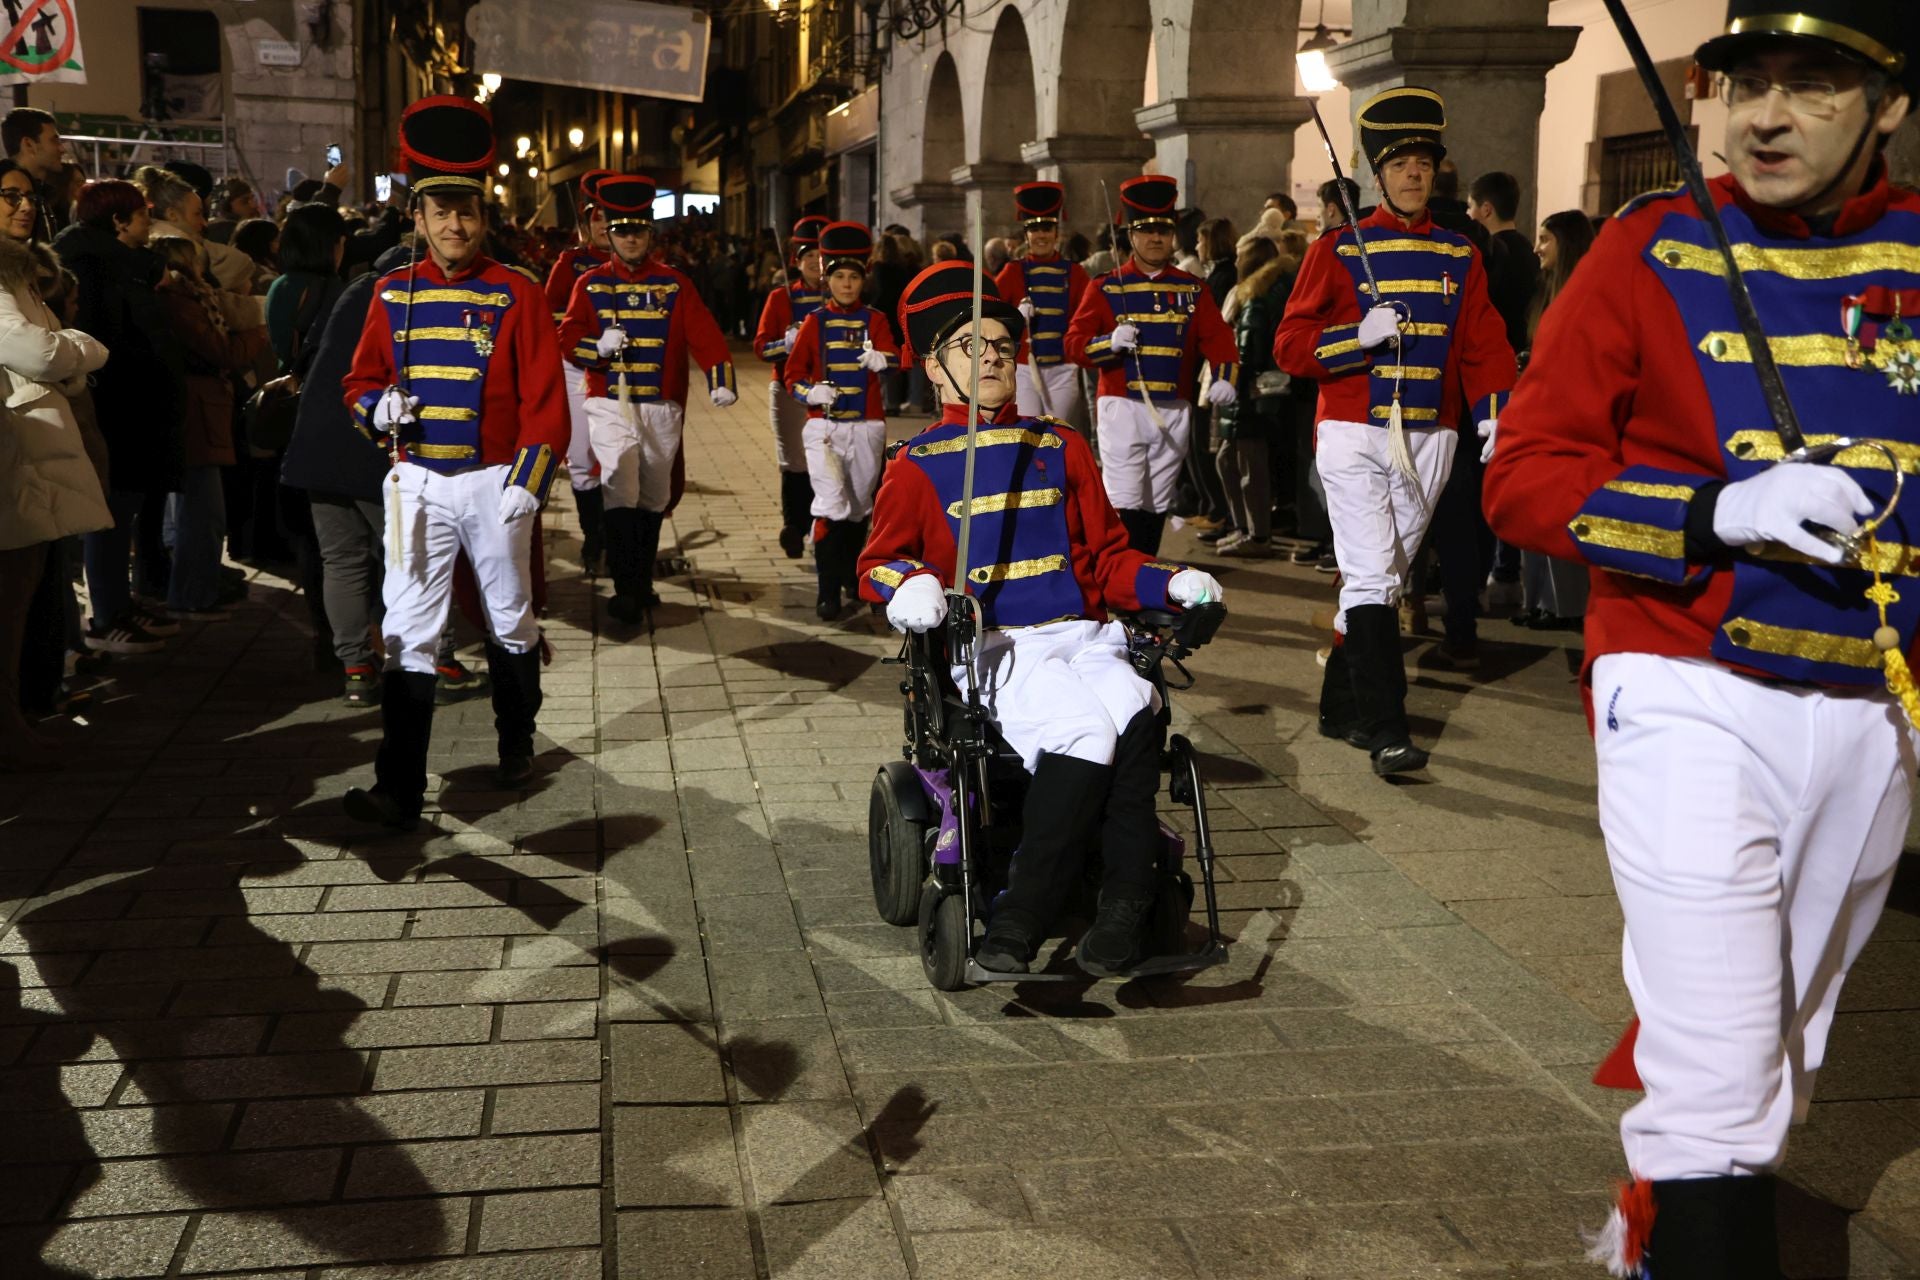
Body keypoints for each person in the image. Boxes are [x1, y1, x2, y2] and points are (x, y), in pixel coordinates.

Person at [1487, 8, 1916, 1270]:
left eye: (1816, 85)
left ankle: (1655, 1233)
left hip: (1875, 704)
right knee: (1722, 1070)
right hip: (1686, 678)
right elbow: (1525, 477)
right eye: (1748, 84)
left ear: (1888, 104)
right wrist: (1716, 510)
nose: (1769, 115)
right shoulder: (1647, 246)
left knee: (1787, 1041)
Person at [860, 260, 1224, 975]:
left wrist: (1175, 579)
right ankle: (1020, 918)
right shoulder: (918, 462)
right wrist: (907, 586)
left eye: (1001, 342)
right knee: (1085, 726)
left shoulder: (1062, 445)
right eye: (972, 344)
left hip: (1084, 636)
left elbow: (1112, 559)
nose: (993, 354)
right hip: (998, 648)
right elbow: (876, 561)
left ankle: (1121, 912)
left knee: (1137, 702)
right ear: (935, 369)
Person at [340, 95, 569, 828]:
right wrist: (376, 409)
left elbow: (545, 400)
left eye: (466, 211)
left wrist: (528, 484)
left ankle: (516, 740)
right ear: (418, 217)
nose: (454, 225)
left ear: (483, 214)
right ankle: (399, 789)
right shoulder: (387, 293)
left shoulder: (518, 295)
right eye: (440, 211)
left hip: (493, 480)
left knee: (510, 618)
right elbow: (359, 381)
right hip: (416, 481)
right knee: (407, 628)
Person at [1275, 86, 1516, 774]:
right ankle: (1387, 729)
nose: (1414, 173)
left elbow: (1483, 347)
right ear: (1376, 173)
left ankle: (1337, 705)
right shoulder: (1337, 248)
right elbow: (1291, 345)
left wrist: (1497, 414)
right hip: (1353, 430)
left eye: (1424, 162)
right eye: (1401, 162)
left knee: (1381, 579)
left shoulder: (1461, 255)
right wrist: (1357, 337)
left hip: (1430, 436)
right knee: (1373, 573)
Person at [557, 173, 736, 623]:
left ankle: (640, 580)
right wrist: (594, 349)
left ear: (650, 233)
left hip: (662, 406)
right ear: (610, 233)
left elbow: (706, 335)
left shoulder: (675, 284)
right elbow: (566, 335)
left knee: (653, 496)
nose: (630, 238)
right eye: (621, 230)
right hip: (609, 403)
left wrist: (721, 377)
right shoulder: (591, 284)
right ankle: (625, 587)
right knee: (619, 483)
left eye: (638, 230)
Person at [1065, 174, 1240, 555]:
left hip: (1173, 408)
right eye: (1146, 231)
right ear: (1131, 235)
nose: (1156, 239)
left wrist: (1225, 376)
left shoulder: (1193, 290)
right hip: (1122, 406)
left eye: (1163, 230)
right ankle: (1118, 576)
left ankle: (1142, 571)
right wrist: (1108, 343)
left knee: (1157, 499)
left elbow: (1220, 339)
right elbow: (1074, 345)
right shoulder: (1106, 287)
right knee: (1124, 496)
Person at [56, 180, 185, 655]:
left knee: (124, 510)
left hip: (133, 405)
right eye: (141, 213)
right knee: (109, 515)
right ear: (118, 221)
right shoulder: (94, 266)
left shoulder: (120, 265)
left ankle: (119, 604)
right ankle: (107, 615)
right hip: (116, 407)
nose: (149, 222)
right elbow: (103, 337)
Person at [0, 235, 110, 770]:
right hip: (17, 452)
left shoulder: (22, 271)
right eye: (8, 194)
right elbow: (37, 351)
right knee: (13, 597)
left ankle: (19, 717)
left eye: (25, 195)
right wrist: (85, 349)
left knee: (28, 591)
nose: (21, 206)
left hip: (26, 450)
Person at [781, 220, 899, 619]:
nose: (847, 285)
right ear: (827, 280)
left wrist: (886, 359)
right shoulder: (814, 322)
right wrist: (810, 392)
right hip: (825, 429)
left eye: (854, 277)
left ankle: (852, 576)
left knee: (859, 506)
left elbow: (899, 358)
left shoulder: (877, 319)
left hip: (867, 426)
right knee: (830, 505)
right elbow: (792, 375)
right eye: (840, 277)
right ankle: (827, 591)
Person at [150, 237, 266, 621]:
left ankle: (191, 590)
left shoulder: (184, 300)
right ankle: (192, 595)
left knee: (194, 511)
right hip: (197, 412)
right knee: (203, 512)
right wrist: (255, 334)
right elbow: (219, 350)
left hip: (200, 409)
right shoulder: (181, 302)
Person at [1511, 210, 1597, 634]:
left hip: (1569, 420)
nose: (1537, 247)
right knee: (1538, 512)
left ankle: (1564, 605)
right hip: (1540, 414)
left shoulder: (1588, 295)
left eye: (1545, 238)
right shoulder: (1547, 291)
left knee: (1561, 510)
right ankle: (1540, 600)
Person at [543, 169, 613, 573]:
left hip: (623, 374)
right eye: (597, 219)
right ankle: (593, 538)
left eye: (610, 218)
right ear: (585, 224)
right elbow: (552, 318)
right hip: (577, 371)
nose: (604, 226)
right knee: (584, 459)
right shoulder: (569, 265)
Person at [752, 214, 829, 558]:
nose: (816, 263)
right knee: (794, 460)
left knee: (826, 459)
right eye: (808, 257)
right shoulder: (780, 299)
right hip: (788, 390)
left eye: (820, 256)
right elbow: (761, 348)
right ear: (797, 262)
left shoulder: (839, 295)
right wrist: (786, 343)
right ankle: (793, 526)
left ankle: (821, 524)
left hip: (830, 391)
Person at [1212, 235, 1293, 557]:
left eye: (1239, 256)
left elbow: (1247, 352)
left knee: (1250, 467)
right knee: (1229, 460)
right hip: (1251, 394)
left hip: (1250, 395)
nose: (1234, 262)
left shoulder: (1256, 298)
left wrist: (1231, 380)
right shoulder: (1267, 292)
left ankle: (1257, 536)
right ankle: (1243, 527)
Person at [992, 182, 1090, 427]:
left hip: (1063, 367)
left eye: (1047, 228)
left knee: (1057, 431)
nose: (1041, 235)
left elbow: (1086, 317)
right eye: (1035, 229)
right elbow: (990, 313)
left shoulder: (1076, 273)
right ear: (1027, 234)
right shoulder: (1012, 272)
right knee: (1026, 429)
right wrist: (1015, 315)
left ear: (1057, 233)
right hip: (1025, 366)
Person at [2, 107, 64, 241]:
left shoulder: (45, 197)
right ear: (29, 144)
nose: (62, 148)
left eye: (30, 198)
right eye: (54, 140)